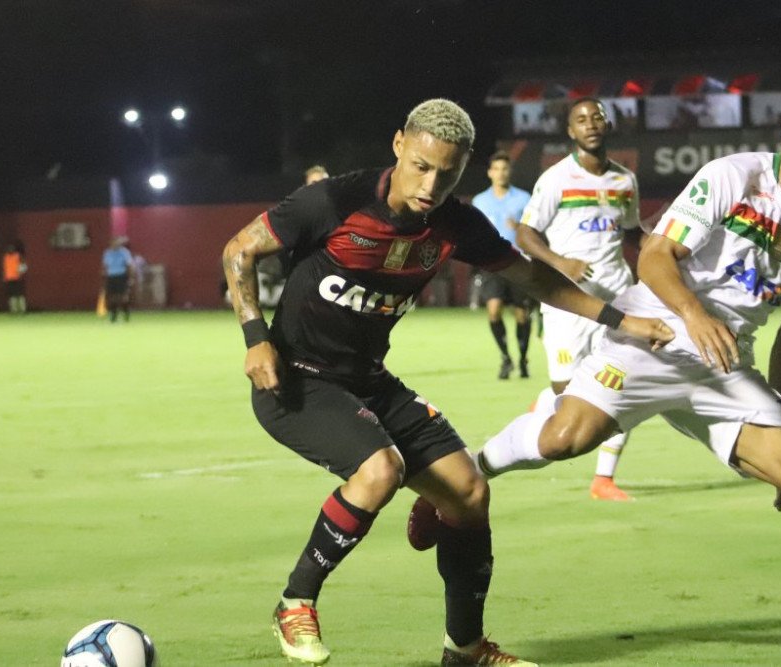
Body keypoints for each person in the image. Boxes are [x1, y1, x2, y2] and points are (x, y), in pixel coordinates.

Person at [467, 89, 781, 664]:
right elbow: (655, 256)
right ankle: (464, 475)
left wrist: (779, 421)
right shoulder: (734, 176)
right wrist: (693, 315)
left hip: (725, 366)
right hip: (654, 335)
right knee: (565, 439)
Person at [221, 98, 673, 667]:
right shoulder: (334, 200)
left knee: (469, 493)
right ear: (399, 146)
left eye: (448, 173)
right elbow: (239, 250)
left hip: (370, 382)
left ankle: (465, 650)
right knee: (379, 468)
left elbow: (532, 278)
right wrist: (255, 336)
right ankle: (295, 602)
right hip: (296, 383)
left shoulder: (456, 223)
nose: (432, 185)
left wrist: (619, 318)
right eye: (422, 167)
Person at [516, 97, 643, 502]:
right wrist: (560, 262)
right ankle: (543, 408)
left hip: (618, 300)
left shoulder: (625, 181)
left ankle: (603, 479)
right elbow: (526, 234)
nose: (590, 124)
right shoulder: (556, 179)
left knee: (622, 386)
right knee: (567, 395)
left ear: (607, 125)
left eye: (597, 118)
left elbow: (633, 234)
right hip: (567, 303)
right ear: (570, 131)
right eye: (581, 120)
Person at [471, 151, 533, 379]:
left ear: (510, 172)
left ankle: (523, 358)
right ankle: (506, 357)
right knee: (494, 311)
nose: (500, 173)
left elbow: (534, 231)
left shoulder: (524, 198)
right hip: (492, 264)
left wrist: (519, 228)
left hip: (519, 263)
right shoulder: (479, 201)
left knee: (522, 316)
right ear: (490, 173)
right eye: (496, 169)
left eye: (504, 169)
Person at [101, 236, 134, 323]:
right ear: (111, 243)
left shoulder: (124, 252)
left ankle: (126, 314)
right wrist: (104, 276)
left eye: (118, 243)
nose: (116, 244)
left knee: (123, 297)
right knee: (112, 297)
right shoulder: (107, 253)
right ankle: (113, 316)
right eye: (114, 242)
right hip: (111, 277)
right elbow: (105, 265)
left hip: (121, 276)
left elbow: (130, 265)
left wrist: (130, 277)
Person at [2, 241, 28, 314]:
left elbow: (24, 265)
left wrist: (21, 272)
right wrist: (4, 276)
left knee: (19, 294)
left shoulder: (18, 256)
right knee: (11, 295)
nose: (10, 250)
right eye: (9, 249)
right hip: (9, 278)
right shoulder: (5, 257)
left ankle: (22, 310)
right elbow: (5, 267)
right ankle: (14, 310)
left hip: (17, 278)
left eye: (12, 249)